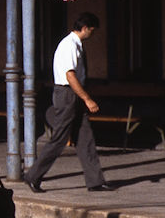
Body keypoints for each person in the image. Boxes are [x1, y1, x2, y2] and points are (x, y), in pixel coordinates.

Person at [25, 11, 113, 193]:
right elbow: (70, 75)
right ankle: (33, 175)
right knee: (59, 138)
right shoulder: (69, 45)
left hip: (73, 93)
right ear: (85, 28)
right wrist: (87, 99)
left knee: (85, 137)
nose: (92, 34)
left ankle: (95, 181)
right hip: (67, 93)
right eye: (92, 30)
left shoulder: (76, 45)